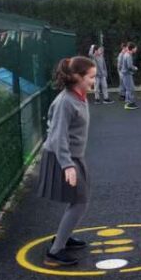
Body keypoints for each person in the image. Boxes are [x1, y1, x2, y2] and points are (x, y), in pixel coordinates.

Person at [36, 56, 97, 266]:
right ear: (77, 77)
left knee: (79, 198)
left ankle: (64, 235)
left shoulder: (80, 95)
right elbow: (57, 136)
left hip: (74, 156)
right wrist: (67, 165)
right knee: (80, 201)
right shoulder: (65, 102)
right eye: (91, 77)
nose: (94, 81)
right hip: (61, 156)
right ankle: (54, 252)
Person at [118, 42, 139, 110]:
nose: (136, 49)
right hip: (126, 74)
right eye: (135, 48)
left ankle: (130, 102)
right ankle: (129, 103)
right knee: (129, 89)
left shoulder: (127, 54)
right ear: (132, 48)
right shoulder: (128, 55)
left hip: (127, 74)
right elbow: (129, 66)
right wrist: (135, 68)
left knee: (130, 89)